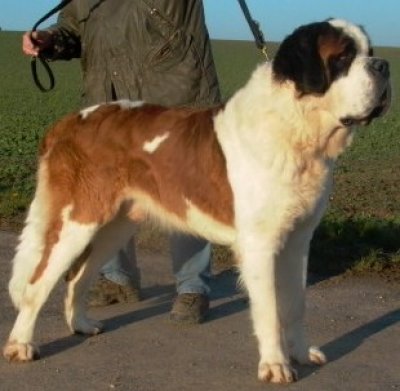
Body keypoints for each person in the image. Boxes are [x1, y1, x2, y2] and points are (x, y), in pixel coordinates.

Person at [22, 0, 221, 324]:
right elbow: (73, 29)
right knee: (109, 193)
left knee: (186, 190)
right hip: (111, 103)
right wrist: (50, 39)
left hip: (174, 98)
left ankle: (192, 287)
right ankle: (118, 278)